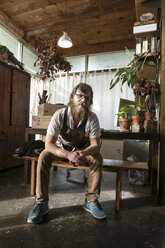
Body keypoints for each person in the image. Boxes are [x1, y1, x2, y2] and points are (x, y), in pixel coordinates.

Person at [27, 83, 106, 224]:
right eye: (80, 96)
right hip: (63, 149)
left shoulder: (92, 118)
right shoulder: (59, 115)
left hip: (82, 150)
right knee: (44, 155)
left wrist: (81, 153)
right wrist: (67, 154)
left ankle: (91, 201)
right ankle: (41, 203)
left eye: (87, 98)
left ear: (90, 102)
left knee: (97, 158)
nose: (83, 100)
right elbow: (48, 143)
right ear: (72, 97)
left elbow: (95, 145)